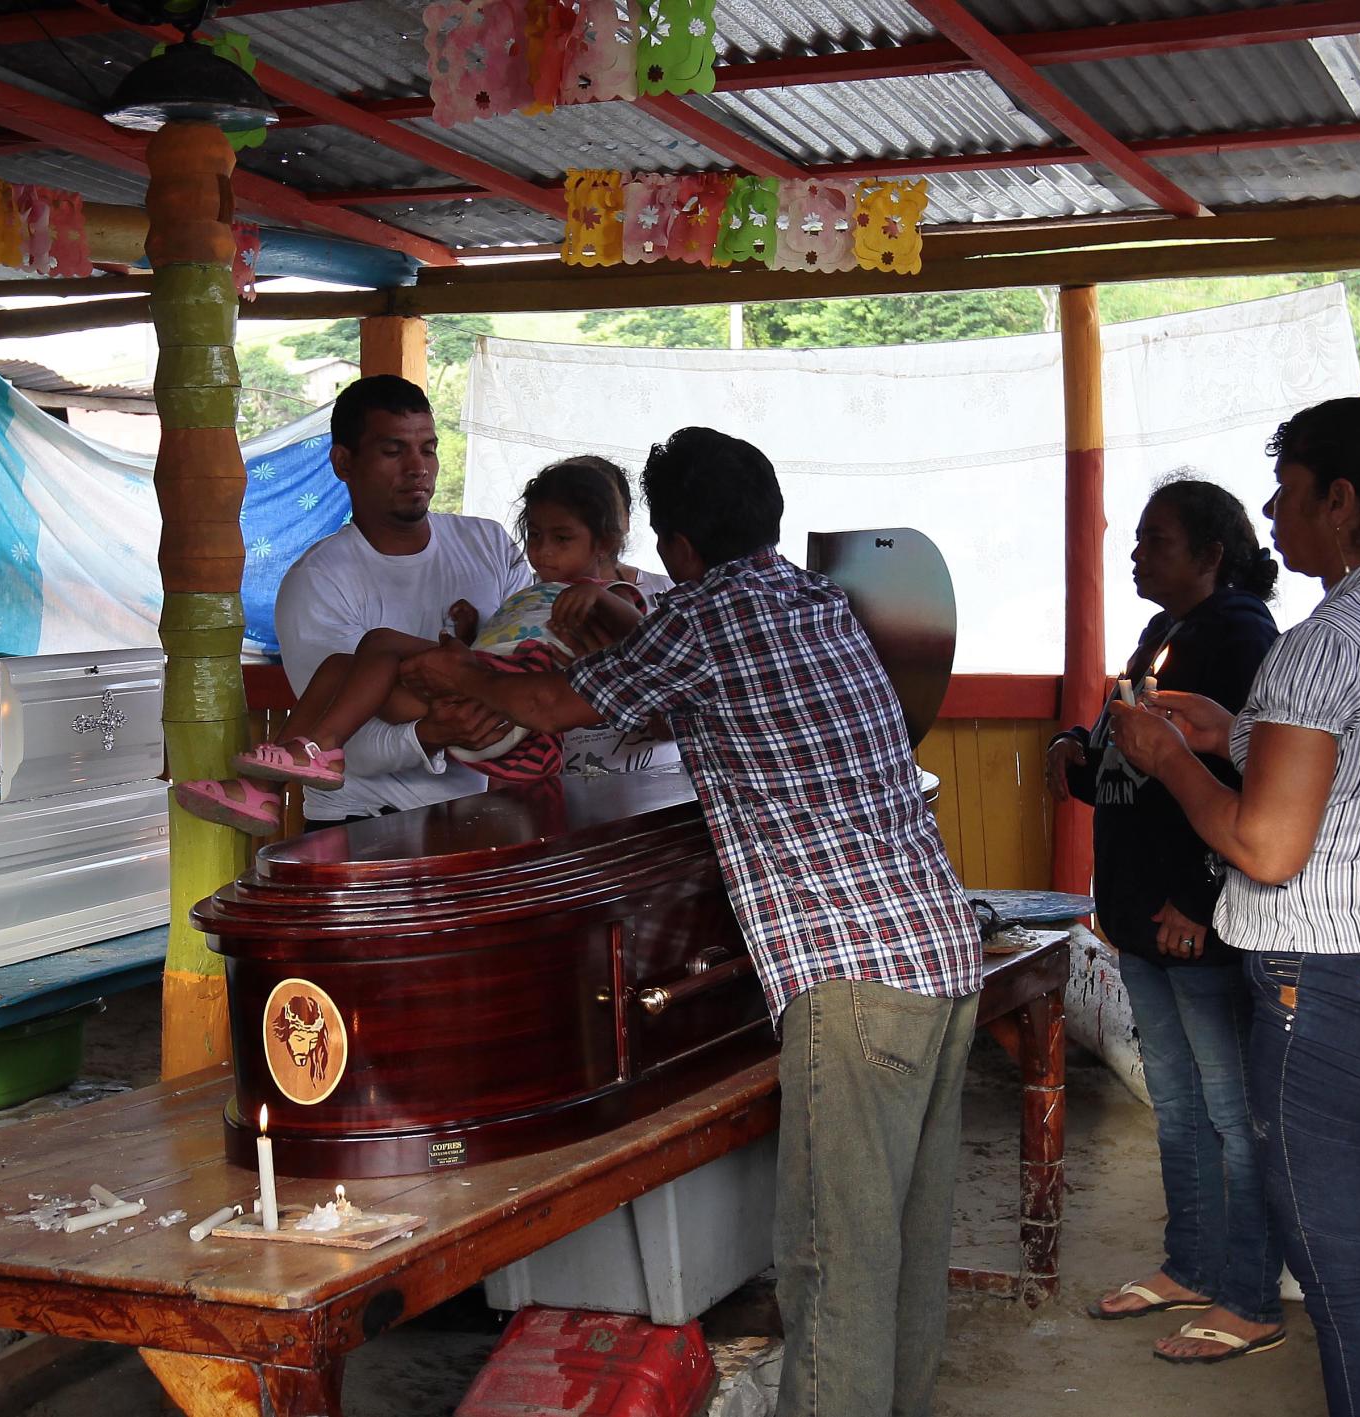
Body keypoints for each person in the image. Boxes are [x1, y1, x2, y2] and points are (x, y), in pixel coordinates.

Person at [398, 427, 982, 1417]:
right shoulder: (814, 599)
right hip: (939, 953)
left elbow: (544, 702)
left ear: (672, 547)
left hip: (852, 983)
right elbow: (682, 707)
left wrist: (443, 672)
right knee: (903, 1246)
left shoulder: (704, 618)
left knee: (831, 1258)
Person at [1111, 396, 1360, 1417]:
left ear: (1340, 497)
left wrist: (1164, 759)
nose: (1271, 516)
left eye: (1285, 493)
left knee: (1348, 1286)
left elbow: (1265, 847)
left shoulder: (1317, 646)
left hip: (1332, 1000)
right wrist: (1233, 734)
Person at [1051, 479, 1285, 1363]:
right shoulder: (1166, 635)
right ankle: (1192, 1263)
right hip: (1142, 914)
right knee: (1180, 1105)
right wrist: (1077, 749)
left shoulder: (1238, 636)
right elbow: (1136, 757)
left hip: (1198, 917)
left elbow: (1243, 777)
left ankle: (1252, 1294)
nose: (1138, 553)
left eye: (1157, 539)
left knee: (1231, 1109)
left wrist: (1201, 894)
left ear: (1212, 555)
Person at [174, 455, 633, 833]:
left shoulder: (608, 595)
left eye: (561, 539)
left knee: (379, 644)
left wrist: (600, 598)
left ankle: (324, 747)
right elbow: (517, 641)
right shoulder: (539, 590)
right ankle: (265, 790)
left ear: (606, 542)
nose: (542, 552)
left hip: (504, 709)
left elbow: (640, 635)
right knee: (339, 665)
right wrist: (475, 631)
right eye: (534, 536)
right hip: (485, 685)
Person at [173, 376, 526, 832]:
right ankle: (264, 788)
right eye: (393, 451)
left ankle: (263, 789)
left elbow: (532, 666)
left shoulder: (490, 545)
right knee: (347, 669)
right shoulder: (318, 580)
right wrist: (432, 731)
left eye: (429, 449)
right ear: (343, 462)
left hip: (484, 813)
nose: (418, 467)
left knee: (371, 652)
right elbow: (349, 745)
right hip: (362, 823)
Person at [552, 455, 683, 778]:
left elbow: (686, 714)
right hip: (570, 793)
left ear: (624, 518)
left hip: (661, 792)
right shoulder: (533, 603)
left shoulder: (666, 595)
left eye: (603, 511)